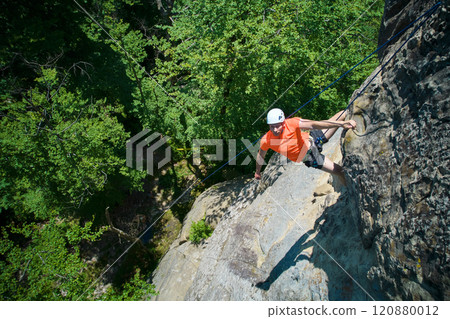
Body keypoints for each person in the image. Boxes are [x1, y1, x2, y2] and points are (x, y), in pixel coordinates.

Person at [254, 108, 356, 185]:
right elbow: (261, 155)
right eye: (272, 126)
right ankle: (349, 189)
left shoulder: (292, 123)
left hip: (313, 140)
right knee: (340, 171)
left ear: (283, 123)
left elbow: (313, 124)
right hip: (310, 157)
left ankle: (355, 109)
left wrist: (341, 124)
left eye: (277, 126)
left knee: (343, 114)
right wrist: (257, 172)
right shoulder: (266, 140)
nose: (275, 129)